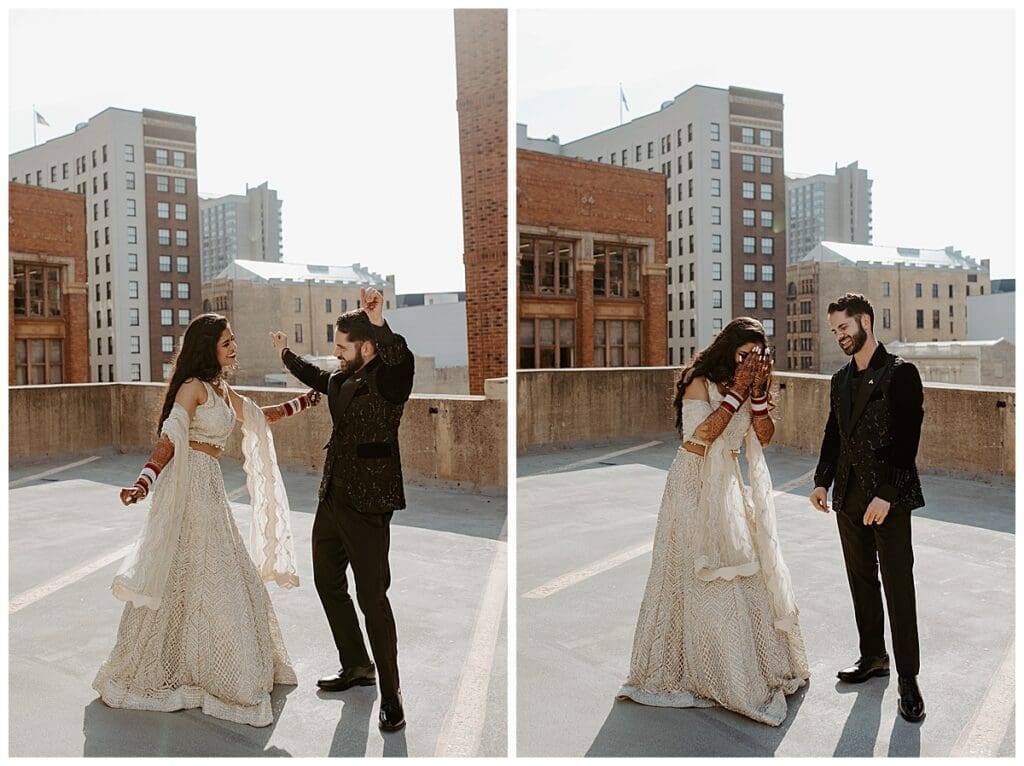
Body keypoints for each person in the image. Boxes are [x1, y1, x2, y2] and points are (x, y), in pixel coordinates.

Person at [94, 313, 320, 728]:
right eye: (226, 342)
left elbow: (258, 415)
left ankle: (209, 663)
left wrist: (303, 402)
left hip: (210, 484)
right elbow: (171, 435)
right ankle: (184, 670)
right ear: (208, 348)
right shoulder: (193, 387)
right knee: (192, 571)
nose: (234, 348)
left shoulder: (221, 389)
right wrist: (144, 481)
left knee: (214, 572)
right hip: (188, 484)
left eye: (234, 341)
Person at [616, 317, 809, 726]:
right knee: (694, 571)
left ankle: (743, 665)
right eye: (743, 355)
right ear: (728, 350)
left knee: (742, 575)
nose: (750, 362)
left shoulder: (751, 384)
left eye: (757, 356)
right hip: (693, 483)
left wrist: (757, 395)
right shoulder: (699, 383)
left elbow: (764, 435)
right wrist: (736, 392)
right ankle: (697, 668)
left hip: (728, 486)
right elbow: (701, 434)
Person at [270, 286, 414, 732]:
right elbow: (316, 376)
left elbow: (399, 355)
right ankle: (356, 664)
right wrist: (286, 355)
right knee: (327, 580)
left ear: (366, 347)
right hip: (332, 497)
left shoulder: (391, 379)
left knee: (372, 597)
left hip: (369, 503)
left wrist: (379, 320)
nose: (336, 354)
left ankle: (392, 695)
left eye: (342, 348)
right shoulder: (339, 379)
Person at [810, 292, 926, 723]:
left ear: (865, 322)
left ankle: (909, 679)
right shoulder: (839, 379)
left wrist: (887, 494)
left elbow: (908, 440)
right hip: (849, 497)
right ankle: (873, 656)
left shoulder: (901, 373)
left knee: (898, 585)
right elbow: (834, 433)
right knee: (861, 580)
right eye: (834, 330)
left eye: (844, 326)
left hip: (888, 498)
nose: (839, 335)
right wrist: (821, 481)